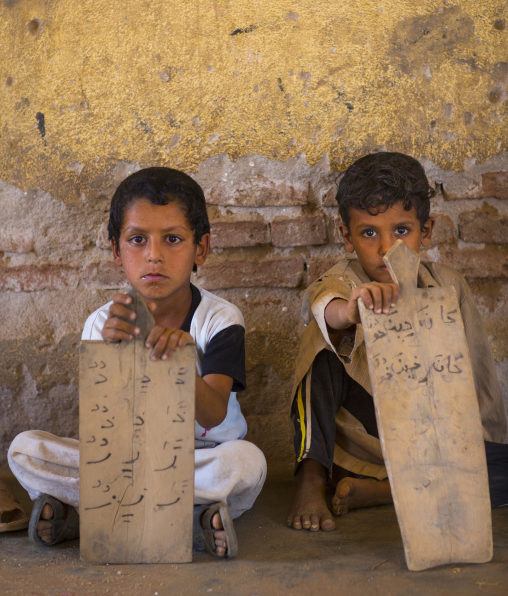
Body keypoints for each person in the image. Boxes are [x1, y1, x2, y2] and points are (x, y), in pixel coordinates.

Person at [9, 167, 266, 556]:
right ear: (116, 249)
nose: (154, 255)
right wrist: (115, 356)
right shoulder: (102, 323)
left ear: (201, 248)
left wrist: (179, 362)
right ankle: (194, 519)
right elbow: (104, 429)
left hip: (200, 458)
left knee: (247, 464)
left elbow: (213, 415)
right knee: (25, 450)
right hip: (123, 461)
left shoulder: (219, 319)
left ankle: (87, 513)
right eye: (137, 239)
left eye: (173, 239)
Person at [287, 151, 508, 532]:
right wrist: (351, 313)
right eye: (369, 233)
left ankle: (384, 492)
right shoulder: (345, 280)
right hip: (367, 442)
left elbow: (478, 374)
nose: (386, 247)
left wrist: (481, 444)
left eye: (402, 231)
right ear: (347, 237)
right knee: (320, 341)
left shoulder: (448, 285)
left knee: (500, 468)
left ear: (427, 230)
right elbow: (326, 306)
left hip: (435, 441)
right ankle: (311, 478)